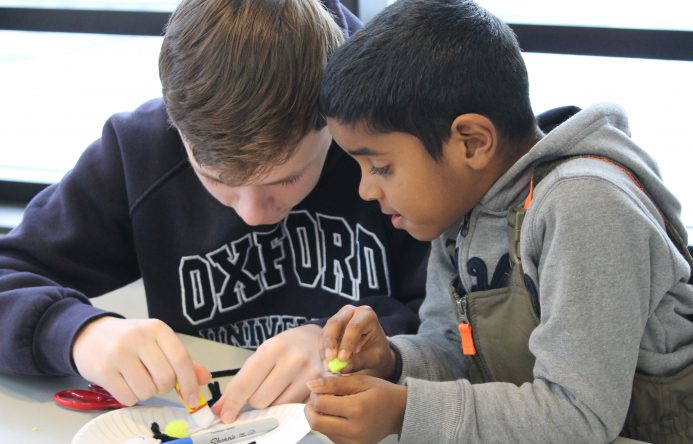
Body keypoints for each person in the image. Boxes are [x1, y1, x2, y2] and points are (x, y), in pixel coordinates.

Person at [0, 0, 430, 424]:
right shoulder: (141, 151)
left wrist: (354, 348)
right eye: (218, 179)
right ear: (176, 125)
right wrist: (78, 334)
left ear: (334, 124)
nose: (254, 216)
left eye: (285, 180)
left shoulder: (399, 144)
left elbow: (465, 324)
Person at [305, 0, 693, 442]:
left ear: (471, 143)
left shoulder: (585, 205)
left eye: (381, 167)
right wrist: (393, 362)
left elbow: (579, 414)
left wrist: (406, 411)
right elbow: (456, 352)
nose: (366, 191)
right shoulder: (461, 209)